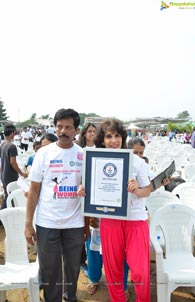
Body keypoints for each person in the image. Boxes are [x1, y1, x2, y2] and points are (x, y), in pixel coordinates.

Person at [78, 118, 151, 302]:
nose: (114, 140)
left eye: (117, 135)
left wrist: (137, 189)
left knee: (140, 272)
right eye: (109, 136)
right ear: (102, 139)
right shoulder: (95, 161)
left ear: (123, 137)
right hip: (110, 221)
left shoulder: (136, 161)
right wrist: (83, 190)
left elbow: (147, 190)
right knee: (113, 273)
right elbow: (89, 189)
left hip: (136, 221)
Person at [24, 108, 89, 302]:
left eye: (68, 127)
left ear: (76, 130)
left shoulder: (84, 155)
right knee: (50, 269)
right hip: (47, 222)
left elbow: (88, 192)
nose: (63, 131)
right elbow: (34, 190)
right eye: (59, 126)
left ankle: (71, 297)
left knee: (72, 268)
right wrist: (28, 224)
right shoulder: (43, 154)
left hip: (74, 223)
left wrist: (86, 223)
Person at [76, 122, 97, 279]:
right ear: (84, 134)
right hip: (82, 191)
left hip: (96, 191)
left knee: (93, 224)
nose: (91, 134)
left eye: (94, 131)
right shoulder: (80, 151)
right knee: (83, 225)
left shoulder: (100, 149)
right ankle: (82, 259)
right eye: (89, 131)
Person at [0, 123, 28, 209]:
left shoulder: (2, 144)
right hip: (10, 175)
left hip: (4, 174)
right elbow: (13, 162)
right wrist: (22, 173)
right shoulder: (12, 146)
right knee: (10, 195)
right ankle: (2, 215)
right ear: (12, 133)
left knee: (8, 195)